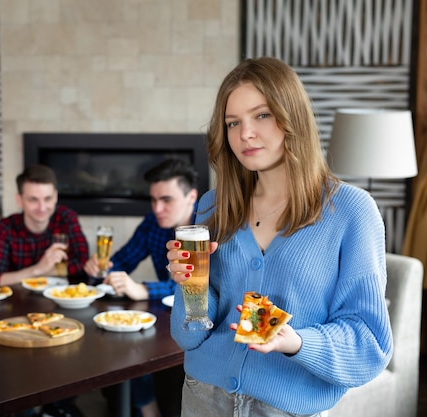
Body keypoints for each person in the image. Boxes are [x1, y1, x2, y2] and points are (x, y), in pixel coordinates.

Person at [165, 56, 393, 417]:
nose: (245, 134)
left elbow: (369, 343)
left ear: (292, 117)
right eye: (232, 122)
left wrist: (296, 342)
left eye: (261, 115)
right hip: (202, 397)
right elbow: (190, 334)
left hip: (285, 408)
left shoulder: (351, 212)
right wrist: (192, 284)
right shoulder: (214, 205)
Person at [83, 158, 198, 417]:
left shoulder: (209, 227)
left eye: (166, 200)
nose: (158, 208)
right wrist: (102, 270)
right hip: (163, 317)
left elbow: (200, 288)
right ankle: (146, 409)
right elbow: (123, 261)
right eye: (153, 200)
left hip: (198, 320)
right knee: (122, 343)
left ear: (191, 196)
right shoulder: (152, 224)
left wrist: (144, 290)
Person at [0, 164, 89, 417]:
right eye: (33, 200)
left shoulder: (66, 218)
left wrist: (55, 272)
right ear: (20, 199)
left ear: (55, 196)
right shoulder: (4, 229)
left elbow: (83, 265)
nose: (42, 207)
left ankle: (59, 405)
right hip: (15, 314)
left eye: (48, 199)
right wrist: (39, 268)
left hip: (62, 309)